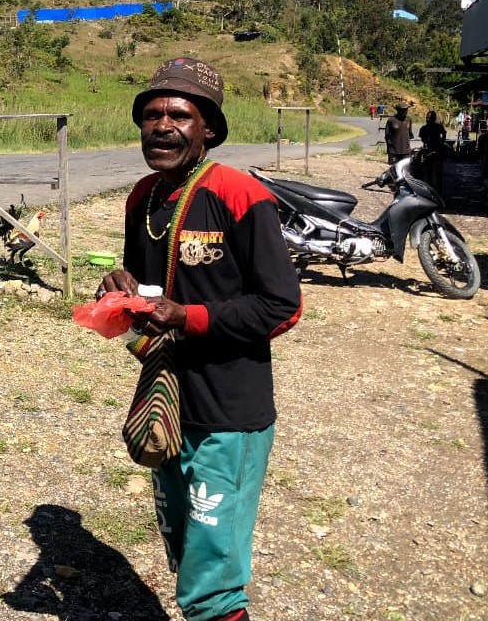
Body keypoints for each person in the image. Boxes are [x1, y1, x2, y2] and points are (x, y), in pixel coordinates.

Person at [98, 57, 302, 621]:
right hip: (167, 397)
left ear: (208, 128)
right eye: (152, 115)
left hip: (229, 407)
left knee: (212, 571)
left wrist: (188, 317)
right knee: (183, 542)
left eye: (179, 114)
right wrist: (122, 292)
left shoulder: (238, 195)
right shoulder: (143, 198)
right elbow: (148, 296)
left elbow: (282, 305)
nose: (162, 125)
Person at [416, 110, 448, 193]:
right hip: (427, 151)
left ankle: (439, 191)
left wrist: (441, 142)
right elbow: (422, 138)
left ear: (434, 118)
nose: (428, 119)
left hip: (437, 151)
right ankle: (429, 190)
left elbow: (444, 134)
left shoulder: (438, 127)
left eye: (430, 117)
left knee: (438, 173)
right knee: (428, 171)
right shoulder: (423, 128)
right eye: (427, 117)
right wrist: (426, 143)